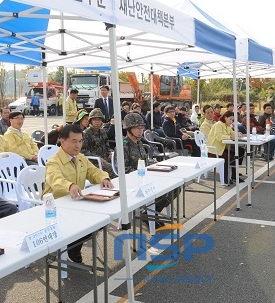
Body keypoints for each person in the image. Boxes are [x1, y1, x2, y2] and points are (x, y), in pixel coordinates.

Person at [42, 123, 113, 263]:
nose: (78, 145)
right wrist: (70, 186)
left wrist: (103, 178)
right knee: (90, 222)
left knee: (101, 220)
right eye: (74, 141)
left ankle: (73, 247)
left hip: (76, 202)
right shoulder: (54, 162)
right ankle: (70, 247)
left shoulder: (81, 158)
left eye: (80, 141)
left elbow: (93, 172)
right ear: (62, 141)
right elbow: (55, 180)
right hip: (57, 206)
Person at [121, 112, 176, 229]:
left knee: (174, 188)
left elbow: (143, 161)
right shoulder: (123, 146)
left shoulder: (139, 142)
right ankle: (149, 215)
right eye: (137, 128)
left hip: (145, 176)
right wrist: (144, 173)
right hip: (134, 181)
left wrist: (153, 163)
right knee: (165, 189)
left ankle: (152, 213)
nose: (141, 131)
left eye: (141, 128)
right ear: (129, 129)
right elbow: (123, 170)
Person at [206, 111, 244, 185]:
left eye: (232, 120)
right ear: (225, 117)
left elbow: (232, 133)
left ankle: (234, 175)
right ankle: (225, 178)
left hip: (222, 148)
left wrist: (239, 134)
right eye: (230, 119)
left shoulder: (227, 126)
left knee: (238, 152)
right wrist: (230, 137)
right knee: (228, 157)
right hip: (214, 150)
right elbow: (218, 137)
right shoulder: (218, 125)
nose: (231, 121)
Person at [81, 108, 115, 178]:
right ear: (91, 121)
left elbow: (107, 146)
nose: (97, 122)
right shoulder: (86, 133)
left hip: (105, 158)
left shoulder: (103, 132)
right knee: (111, 170)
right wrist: (98, 158)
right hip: (94, 161)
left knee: (121, 165)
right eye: (95, 120)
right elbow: (82, 151)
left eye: (99, 119)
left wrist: (110, 153)